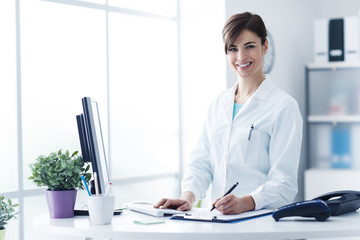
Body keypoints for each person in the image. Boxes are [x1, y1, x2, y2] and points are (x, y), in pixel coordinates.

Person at [154, 12, 303, 215]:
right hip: (217, 221)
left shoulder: (284, 107)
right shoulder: (218, 105)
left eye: (249, 46)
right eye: (233, 48)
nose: (241, 56)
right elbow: (201, 162)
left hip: (259, 224)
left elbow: (284, 184)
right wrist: (186, 197)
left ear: (264, 46)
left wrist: (246, 202)